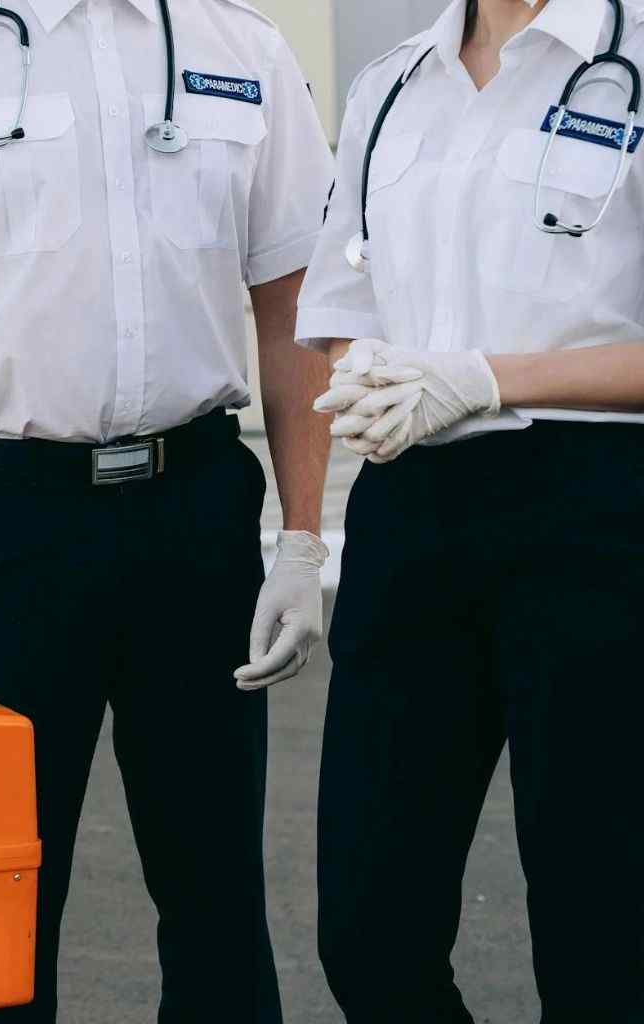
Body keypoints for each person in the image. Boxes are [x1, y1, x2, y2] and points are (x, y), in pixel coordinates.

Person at [0, 0, 335, 1019]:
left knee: (215, 891)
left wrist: (303, 542)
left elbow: (295, 306)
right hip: (3, 531)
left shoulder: (242, 50)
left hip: (195, 522)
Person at [297, 0, 644, 1020]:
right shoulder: (395, 84)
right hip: (413, 508)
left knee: (602, 936)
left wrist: (488, 376)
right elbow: (339, 308)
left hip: (598, 512)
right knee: (367, 930)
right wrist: (362, 375)